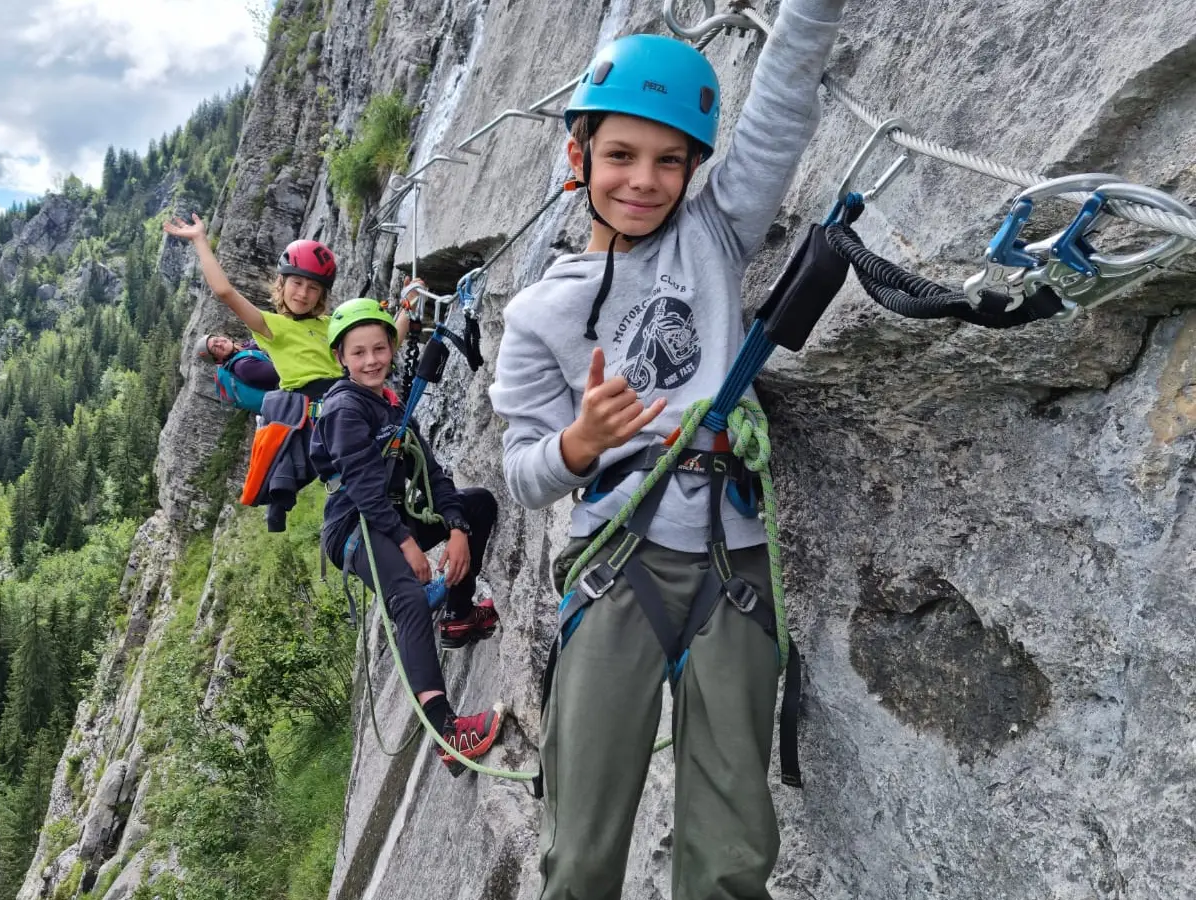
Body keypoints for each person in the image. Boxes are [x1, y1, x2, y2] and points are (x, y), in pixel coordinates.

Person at [487, 8, 848, 899]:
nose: (644, 181)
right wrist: (580, 444)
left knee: (729, 859)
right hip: (621, 560)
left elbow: (782, 102)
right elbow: (522, 470)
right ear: (579, 159)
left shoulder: (714, 233)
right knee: (578, 852)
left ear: (694, 168)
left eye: (669, 160)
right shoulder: (539, 315)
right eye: (620, 156)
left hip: (734, 559)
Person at [310, 298, 502, 774]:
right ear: (341, 359)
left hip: (393, 514)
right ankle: (448, 735)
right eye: (359, 353)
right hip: (356, 526)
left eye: (379, 348)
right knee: (410, 599)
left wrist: (457, 529)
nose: (372, 360)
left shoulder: (395, 407)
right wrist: (408, 543)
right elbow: (363, 486)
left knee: (478, 504)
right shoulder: (343, 409)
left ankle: (458, 616)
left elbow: (435, 476)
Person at [163, 215, 408, 529]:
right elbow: (225, 292)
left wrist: (408, 307)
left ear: (322, 294)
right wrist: (200, 240)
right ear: (282, 283)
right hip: (333, 413)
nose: (303, 293)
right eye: (297, 283)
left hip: (359, 399)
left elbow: (385, 346)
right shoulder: (272, 327)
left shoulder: (332, 324)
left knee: (398, 468)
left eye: (313, 287)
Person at [197, 333, 279, 414]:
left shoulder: (240, 351)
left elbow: (250, 345)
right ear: (218, 360)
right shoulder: (244, 366)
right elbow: (282, 373)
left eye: (216, 340)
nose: (219, 343)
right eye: (215, 348)